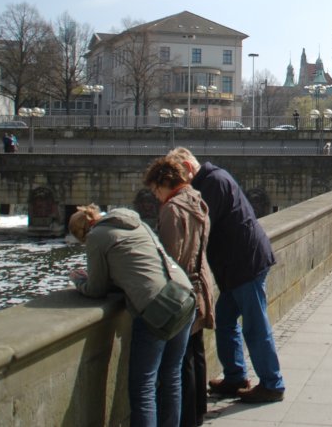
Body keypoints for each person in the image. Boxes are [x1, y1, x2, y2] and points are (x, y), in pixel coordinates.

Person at [68, 203, 195, 427]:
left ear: (83, 233)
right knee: (171, 376)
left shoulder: (97, 236)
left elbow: (96, 289)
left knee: (143, 386)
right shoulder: (135, 223)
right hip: (183, 294)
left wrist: (79, 280)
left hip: (157, 306)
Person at [190, 162, 285, 404]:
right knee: (224, 319)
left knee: (255, 325)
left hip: (245, 265)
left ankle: (272, 384)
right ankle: (235, 376)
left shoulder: (212, 184)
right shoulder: (211, 180)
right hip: (236, 266)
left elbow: (201, 228)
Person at [144, 155, 215, 427]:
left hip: (182, 292)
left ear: (165, 182)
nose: (156, 196)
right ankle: (198, 412)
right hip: (200, 284)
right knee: (194, 353)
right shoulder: (197, 198)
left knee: (181, 362)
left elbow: (171, 257)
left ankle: (186, 419)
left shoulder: (173, 209)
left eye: (155, 190)